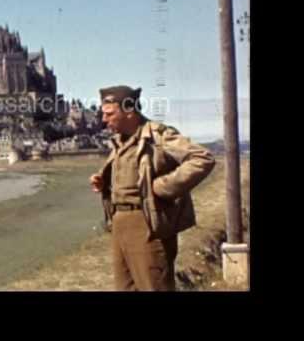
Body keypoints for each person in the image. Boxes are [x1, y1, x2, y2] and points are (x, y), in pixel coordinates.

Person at [90, 86, 215, 291]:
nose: (104, 120)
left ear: (129, 109)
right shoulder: (119, 142)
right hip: (119, 223)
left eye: (109, 114)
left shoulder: (157, 136)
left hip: (146, 224)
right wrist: (105, 185)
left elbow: (202, 158)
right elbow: (133, 178)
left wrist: (163, 187)